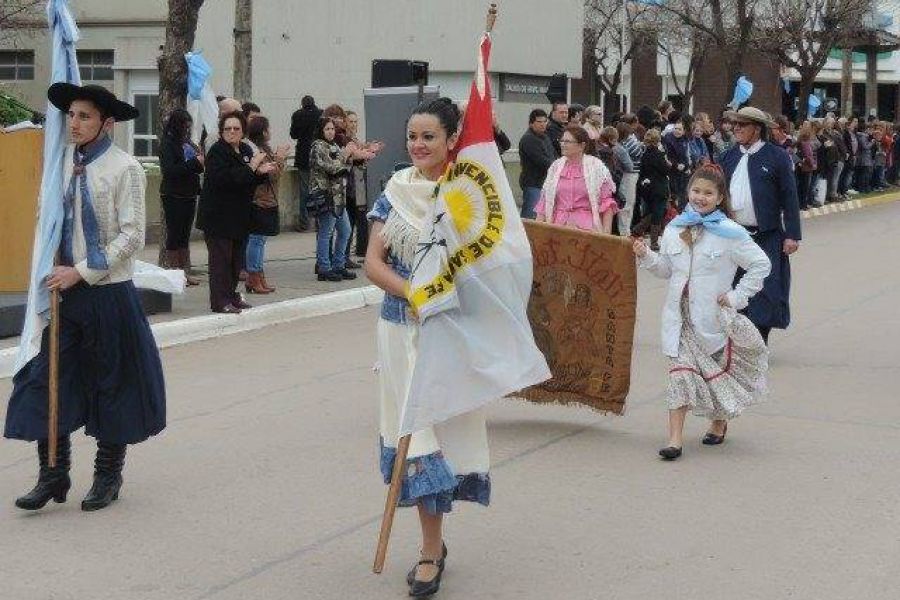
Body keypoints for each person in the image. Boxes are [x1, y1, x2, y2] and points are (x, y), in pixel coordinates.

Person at [6, 83, 166, 512]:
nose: (74, 124)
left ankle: (107, 477)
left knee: (112, 384)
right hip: (63, 296)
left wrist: (79, 272)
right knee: (46, 381)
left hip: (108, 295)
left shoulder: (124, 168)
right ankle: (52, 475)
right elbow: (49, 223)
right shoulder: (59, 165)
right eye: (71, 115)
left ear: (106, 123)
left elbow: (132, 236)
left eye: (85, 117)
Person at [365, 98, 490, 597]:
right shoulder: (394, 192)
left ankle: (434, 546)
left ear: (450, 140)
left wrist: (446, 299)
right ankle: (429, 550)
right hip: (400, 330)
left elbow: (487, 268)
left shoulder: (471, 196)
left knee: (446, 439)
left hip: (450, 334)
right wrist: (416, 292)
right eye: (412, 136)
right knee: (416, 442)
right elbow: (374, 263)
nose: (418, 145)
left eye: (429, 137)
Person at [633, 163, 771, 461]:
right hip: (679, 316)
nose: (700, 197)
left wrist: (736, 297)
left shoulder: (731, 233)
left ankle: (719, 420)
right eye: (696, 190)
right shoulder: (675, 227)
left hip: (711, 318)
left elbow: (761, 265)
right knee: (680, 375)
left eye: (708, 193)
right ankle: (674, 440)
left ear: (720, 197)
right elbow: (667, 270)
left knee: (715, 373)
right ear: (687, 192)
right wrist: (647, 256)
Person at [720, 106, 802, 344]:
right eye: (734, 125)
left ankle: (759, 338)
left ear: (757, 129)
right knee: (734, 285)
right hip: (733, 235)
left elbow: (790, 196)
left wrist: (792, 235)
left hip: (767, 234)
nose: (736, 129)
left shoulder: (777, 156)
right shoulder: (728, 156)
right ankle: (737, 338)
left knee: (766, 288)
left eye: (741, 125)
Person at [197, 111, 273, 313]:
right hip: (218, 217)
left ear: (243, 131)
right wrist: (252, 167)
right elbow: (227, 180)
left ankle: (232, 297)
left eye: (236, 128)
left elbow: (248, 179)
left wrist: (260, 173)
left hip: (238, 217)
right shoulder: (217, 152)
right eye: (227, 129)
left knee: (235, 262)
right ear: (222, 132)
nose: (232, 132)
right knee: (220, 262)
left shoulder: (246, 149)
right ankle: (220, 302)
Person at [535, 125, 618, 234]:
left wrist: (606, 233)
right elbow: (545, 200)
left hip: (587, 230)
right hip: (558, 228)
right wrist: (536, 230)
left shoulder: (596, 167)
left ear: (582, 145)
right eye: (562, 140)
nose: (563, 144)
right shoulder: (555, 167)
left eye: (568, 141)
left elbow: (606, 202)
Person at [244, 116, 289, 294]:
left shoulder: (263, 149)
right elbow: (272, 175)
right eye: (268, 129)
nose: (270, 132)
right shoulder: (256, 150)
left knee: (260, 240)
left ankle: (258, 275)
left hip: (268, 199)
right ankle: (253, 276)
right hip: (259, 200)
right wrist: (280, 158)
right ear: (263, 131)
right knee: (256, 239)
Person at [159, 108, 203, 286]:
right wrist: (193, 163)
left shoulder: (188, 143)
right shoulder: (168, 144)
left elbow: (198, 167)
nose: (187, 130)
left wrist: (199, 161)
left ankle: (184, 272)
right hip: (173, 194)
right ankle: (174, 273)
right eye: (184, 126)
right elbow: (170, 171)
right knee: (174, 234)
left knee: (185, 235)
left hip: (189, 192)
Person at [310, 117, 357, 282]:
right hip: (326, 195)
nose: (331, 132)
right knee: (326, 232)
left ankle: (338, 264)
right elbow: (331, 168)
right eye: (327, 129)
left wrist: (349, 157)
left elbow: (346, 168)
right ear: (321, 131)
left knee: (345, 231)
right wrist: (345, 157)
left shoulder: (334, 145)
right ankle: (324, 268)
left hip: (339, 195)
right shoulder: (317, 146)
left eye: (332, 129)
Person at [633, 128, 671, 250]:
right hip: (659, 187)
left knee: (652, 211)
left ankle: (639, 229)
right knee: (658, 213)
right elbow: (665, 170)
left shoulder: (644, 155)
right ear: (657, 140)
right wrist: (667, 162)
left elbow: (642, 171)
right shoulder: (659, 155)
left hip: (647, 188)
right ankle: (653, 241)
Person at [289, 95, 322, 231]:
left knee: (304, 190)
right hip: (319, 155)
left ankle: (304, 223)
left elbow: (293, 135)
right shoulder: (321, 114)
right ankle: (319, 222)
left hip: (303, 156)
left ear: (302, 104)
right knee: (319, 189)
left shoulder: (297, 115)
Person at [517, 108, 555, 219]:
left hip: (544, 183)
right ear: (531, 123)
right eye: (539, 122)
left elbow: (552, 156)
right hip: (533, 184)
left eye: (545, 121)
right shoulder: (529, 139)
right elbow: (542, 161)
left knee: (541, 217)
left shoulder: (545, 137)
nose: (543, 124)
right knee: (531, 218)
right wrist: (557, 166)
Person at [615, 122, 639, 236]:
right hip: (627, 175)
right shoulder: (622, 146)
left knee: (629, 203)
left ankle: (626, 229)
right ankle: (624, 231)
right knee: (627, 204)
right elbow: (629, 165)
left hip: (630, 175)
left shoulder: (624, 144)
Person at [663, 120, 691, 209]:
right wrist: (676, 165)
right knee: (674, 195)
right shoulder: (668, 140)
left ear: (684, 131)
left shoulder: (685, 140)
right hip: (672, 172)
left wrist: (687, 167)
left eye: (680, 129)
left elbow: (687, 155)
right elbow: (667, 156)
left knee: (683, 196)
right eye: (675, 128)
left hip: (684, 172)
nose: (677, 131)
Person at [794, 121, 817, 210]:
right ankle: (803, 204)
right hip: (806, 167)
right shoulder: (806, 142)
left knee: (801, 186)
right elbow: (808, 155)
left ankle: (800, 203)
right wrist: (813, 164)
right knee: (805, 186)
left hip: (800, 166)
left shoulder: (799, 140)